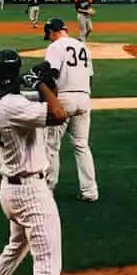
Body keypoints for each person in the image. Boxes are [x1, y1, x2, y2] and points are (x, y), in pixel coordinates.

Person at [0, 48, 68, 275]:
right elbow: (59, 113)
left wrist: (45, 84)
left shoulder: (0, 101)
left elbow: (48, 101)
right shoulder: (13, 106)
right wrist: (40, 84)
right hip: (31, 194)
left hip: (11, 191)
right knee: (47, 266)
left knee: (16, 248)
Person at [42, 18, 98, 203]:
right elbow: (90, 78)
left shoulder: (55, 47)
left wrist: (51, 101)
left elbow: (51, 76)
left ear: (53, 32)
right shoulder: (83, 47)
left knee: (51, 145)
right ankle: (90, 191)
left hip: (64, 98)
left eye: (49, 34)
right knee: (82, 146)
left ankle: (48, 190)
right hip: (84, 98)